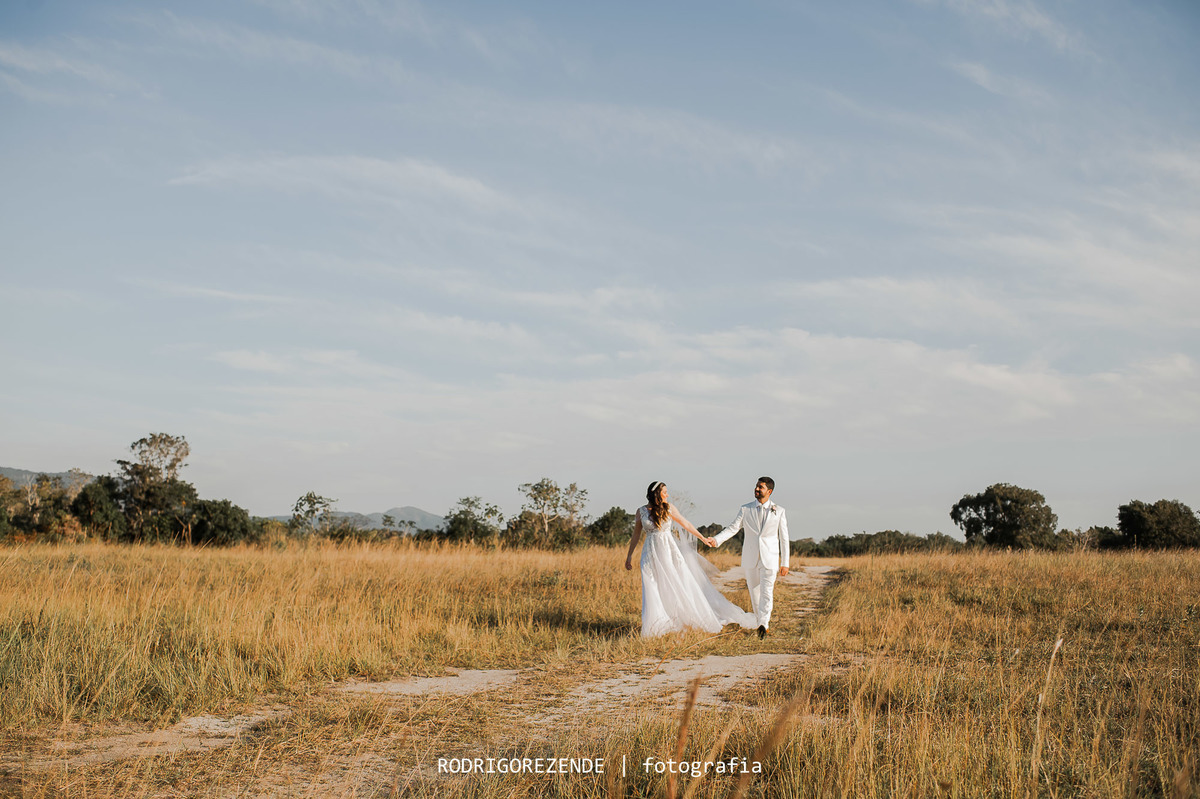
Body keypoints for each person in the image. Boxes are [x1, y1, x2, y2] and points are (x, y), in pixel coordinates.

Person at [625, 481, 755, 637]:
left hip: (668, 551)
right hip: (650, 552)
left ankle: (681, 617)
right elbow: (636, 535)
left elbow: (685, 523)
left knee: (676, 583)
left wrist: (702, 538)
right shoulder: (641, 511)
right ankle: (656, 625)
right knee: (651, 586)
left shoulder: (669, 508)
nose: (667, 495)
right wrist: (629, 555)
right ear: (655, 494)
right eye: (664, 492)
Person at [711, 477, 790, 639]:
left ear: (769, 491)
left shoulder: (779, 511)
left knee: (767, 592)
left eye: (760, 487)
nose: (756, 489)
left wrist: (785, 562)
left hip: (770, 558)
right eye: (756, 486)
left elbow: (784, 538)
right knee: (755, 594)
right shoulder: (745, 509)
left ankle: (764, 625)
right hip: (751, 557)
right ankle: (759, 622)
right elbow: (733, 528)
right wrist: (716, 540)